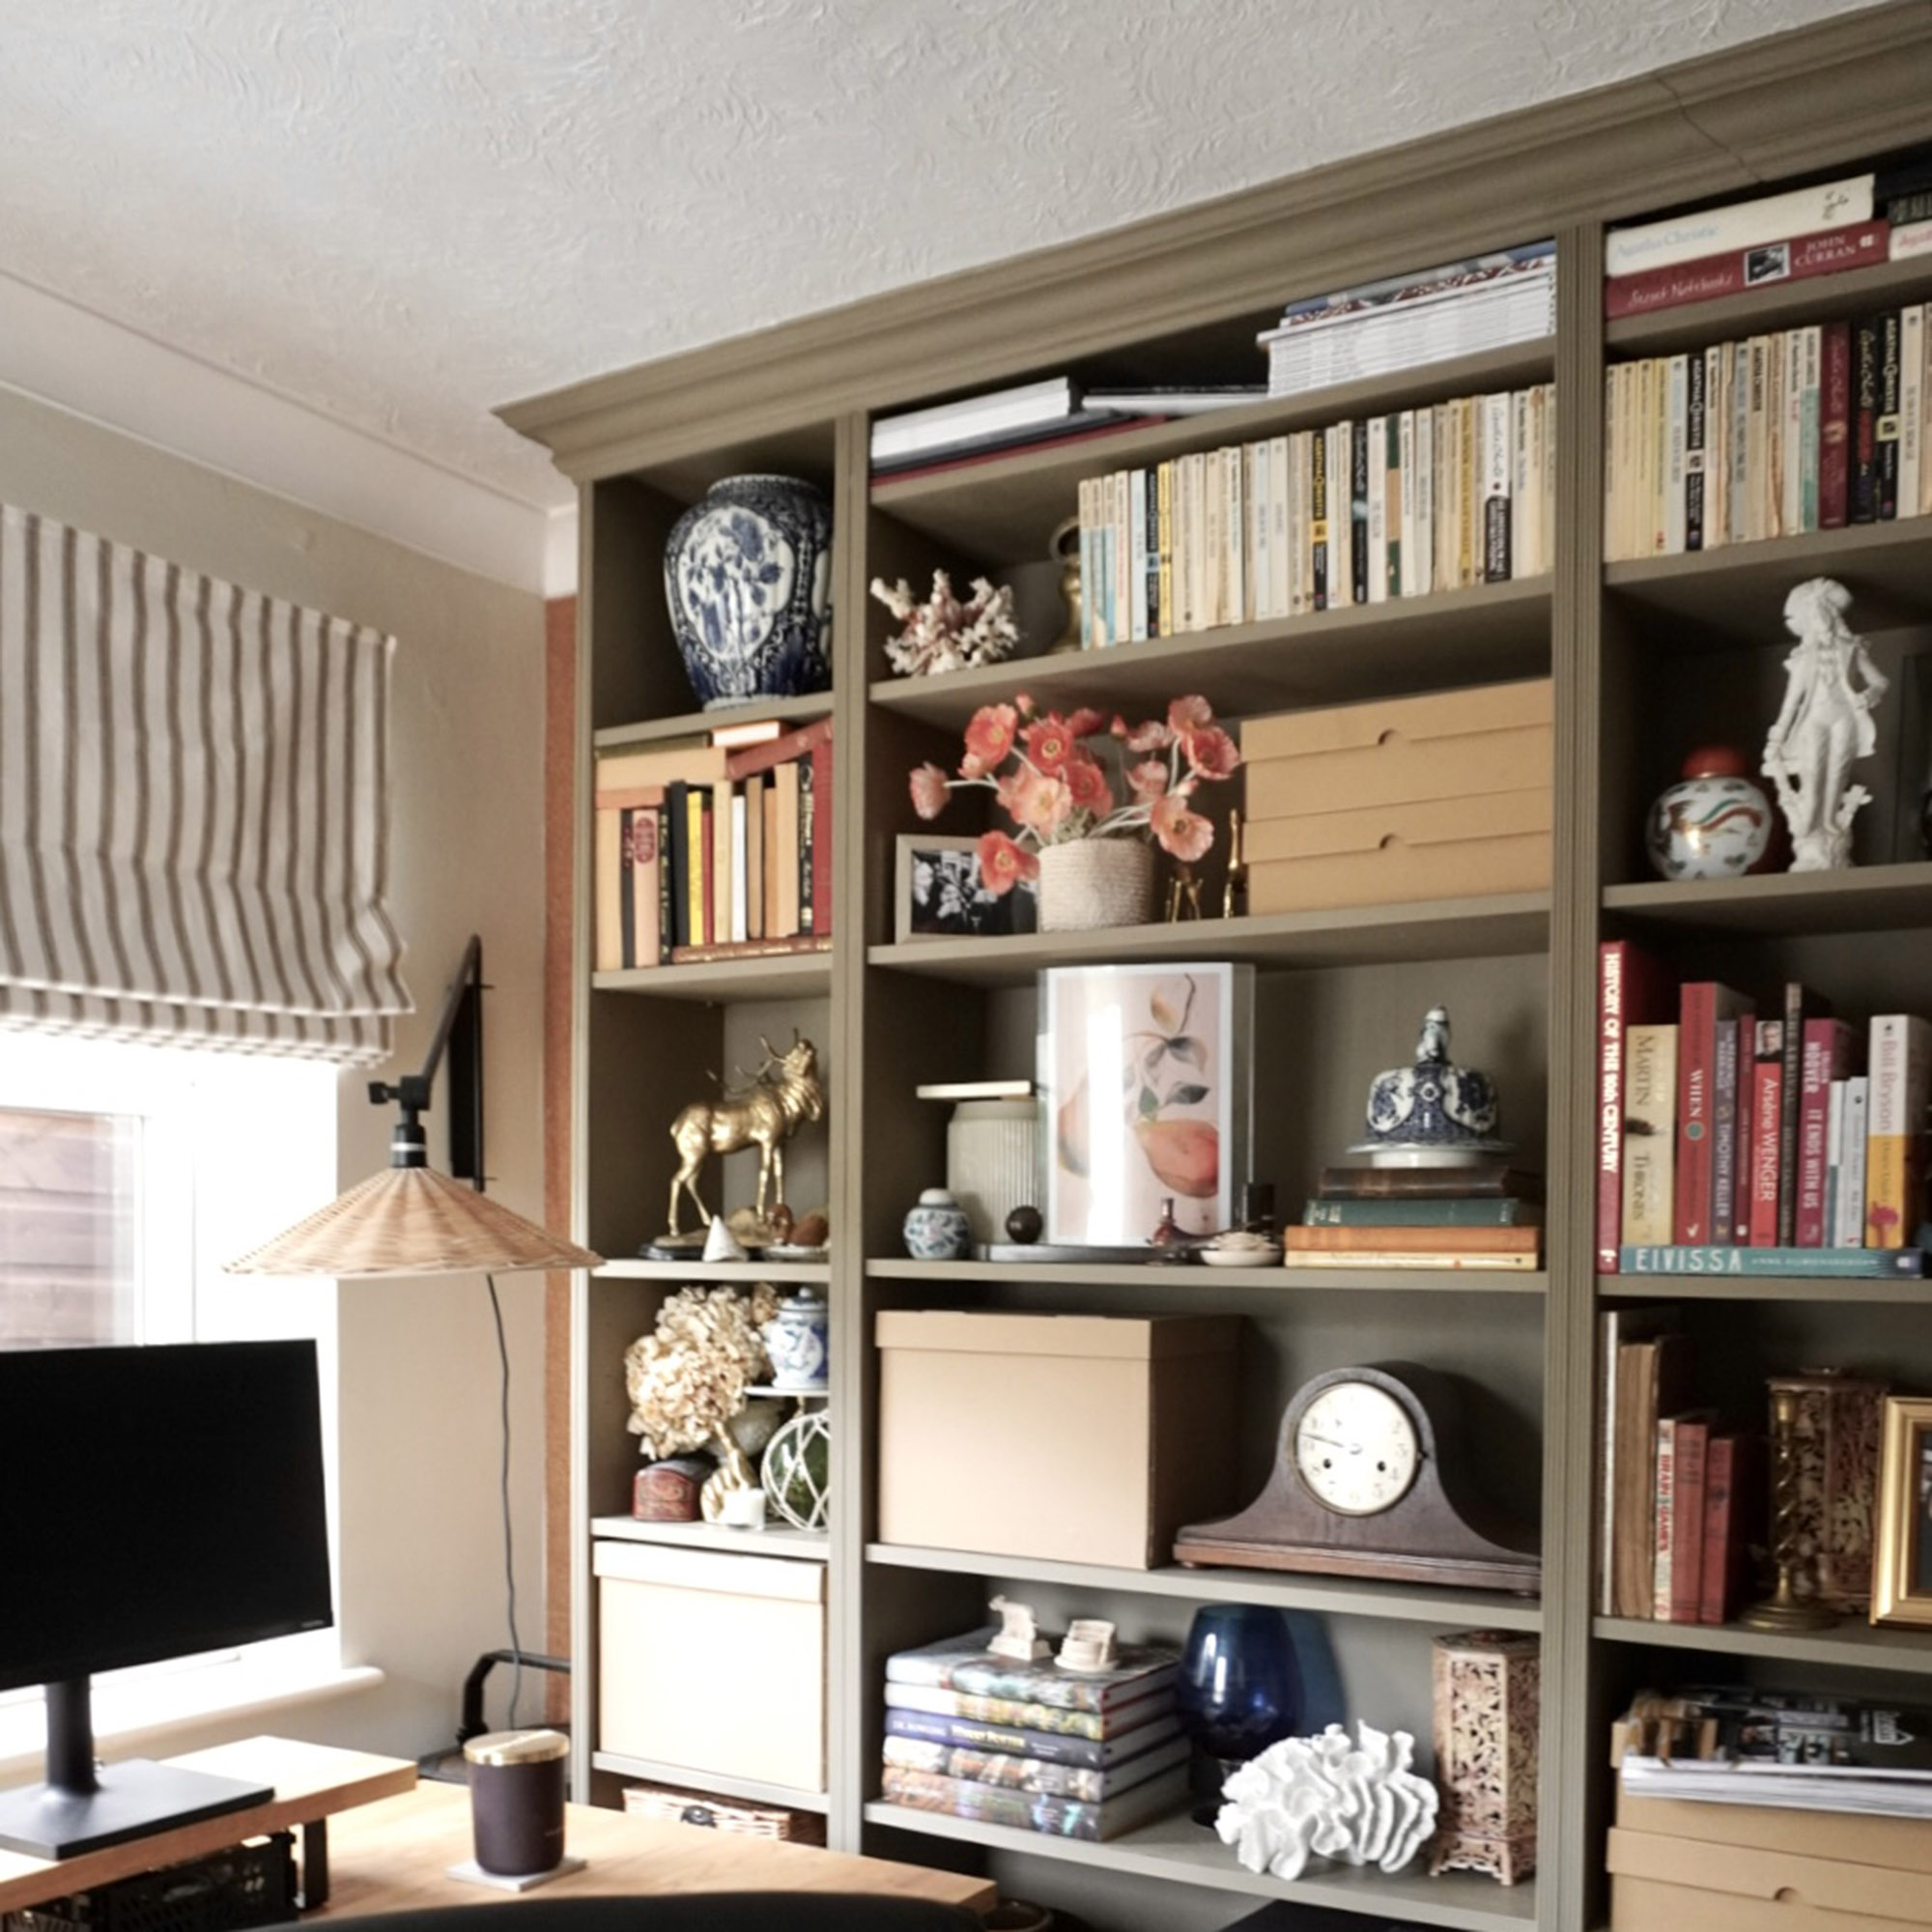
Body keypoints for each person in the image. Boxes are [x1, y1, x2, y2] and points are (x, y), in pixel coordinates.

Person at [1761, 577, 1889, 871]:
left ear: (1832, 615)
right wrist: (1776, 738)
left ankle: (1830, 823)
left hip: (1843, 714)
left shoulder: (1852, 648)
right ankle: (1809, 824)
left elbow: (1880, 681)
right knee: (1813, 771)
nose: (1820, 620)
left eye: (1823, 613)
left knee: (1838, 771)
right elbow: (1791, 701)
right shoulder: (1804, 657)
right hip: (1815, 717)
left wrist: (1869, 695)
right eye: (1813, 615)